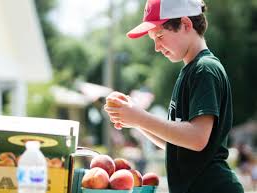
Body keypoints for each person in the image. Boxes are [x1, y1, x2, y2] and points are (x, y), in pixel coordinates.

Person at [104, 0, 244, 192]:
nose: (156, 47)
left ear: (186, 24)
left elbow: (196, 138)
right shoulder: (190, 71)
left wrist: (140, 117)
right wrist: (136, 120)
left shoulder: (205, 69)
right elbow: (175, 144)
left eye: (160, 35)